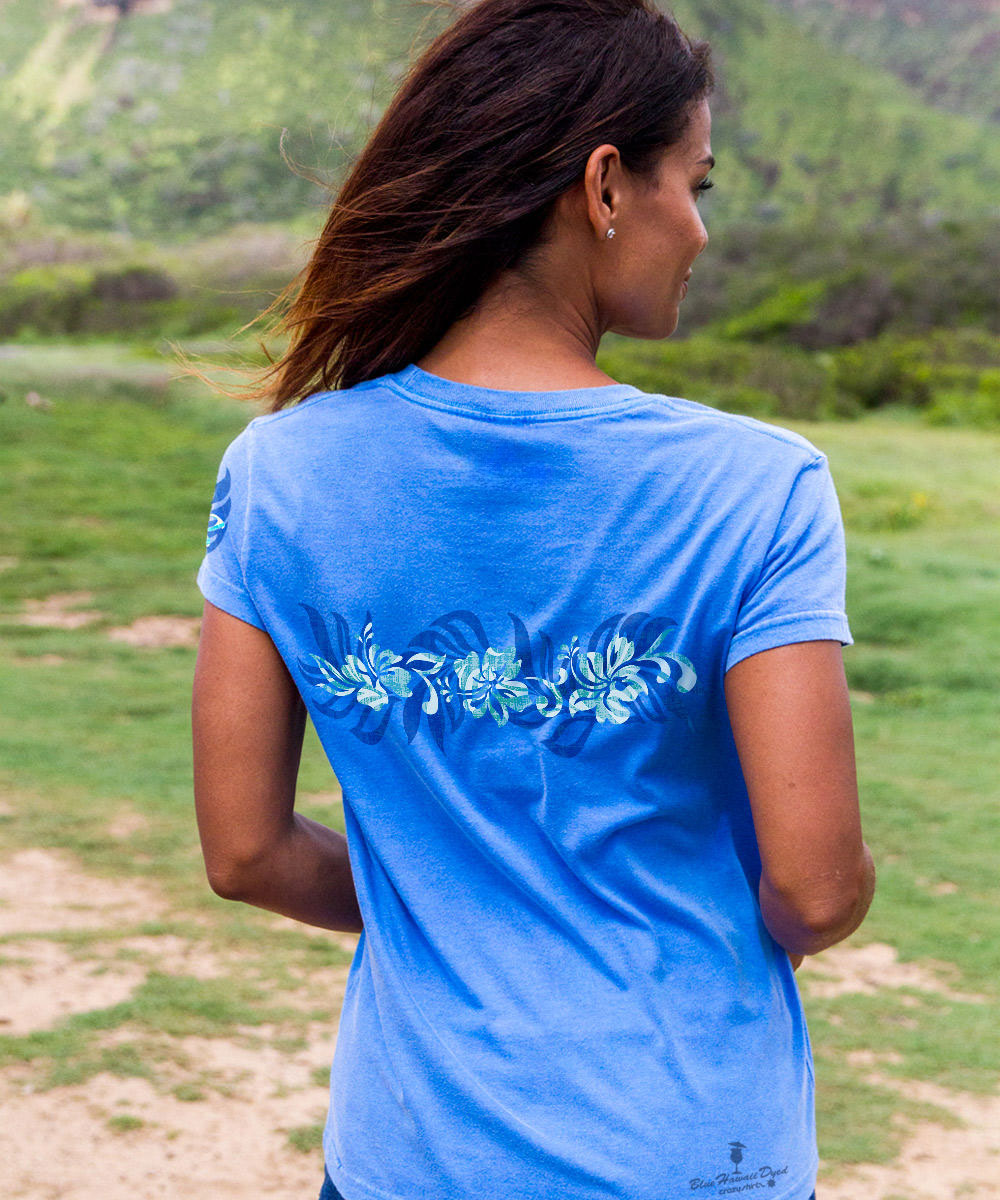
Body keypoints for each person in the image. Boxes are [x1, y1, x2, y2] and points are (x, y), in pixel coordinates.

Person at [190, 1, 876, 1198]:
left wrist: (448, 891)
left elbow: (244, 851)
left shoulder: (279, 473)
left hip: (412, 1152)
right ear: (605, 187)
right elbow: (814, 890)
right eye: (693, 185)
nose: (699, 233)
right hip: (685, 1153)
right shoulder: (757, 486)